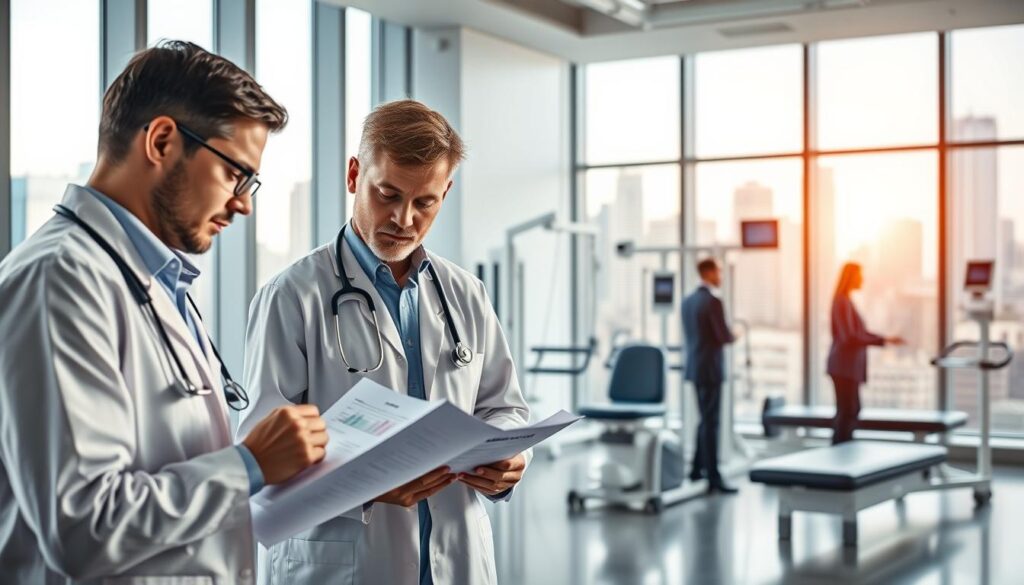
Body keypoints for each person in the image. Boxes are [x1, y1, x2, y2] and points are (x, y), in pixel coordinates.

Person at [0, 41, 329, 584]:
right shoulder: (59, 280)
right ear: (161, 141)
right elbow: (84, 527)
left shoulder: (154, 279)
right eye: (235, 174)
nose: (245, 202)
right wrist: (249, 465)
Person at [238, 99, 531, 585]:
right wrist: (369, 486)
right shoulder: (291, 296)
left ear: (446, 192)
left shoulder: (466, 293)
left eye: (425, 202)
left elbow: (506, 408)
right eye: (388, 194)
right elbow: (263, 453)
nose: (404, 219)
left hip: (455, 558)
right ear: (355, 174)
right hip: (342, 563)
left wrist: (511, 461)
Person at [827, 262, 904, 444]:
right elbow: (850, 337)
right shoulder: (842, 301)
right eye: (860, 275)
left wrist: (885, 339)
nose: (862, 279)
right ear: (851, 277)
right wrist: (880, 340)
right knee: (848, 410)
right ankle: (840, 452)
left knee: (849, 410)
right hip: (844, 367)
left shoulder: (845, 301)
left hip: (845, 367)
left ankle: (841, 450)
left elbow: (858, 334)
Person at [681, 258, 739, 494]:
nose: (721, 276)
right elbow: (723, 336)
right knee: (711, 422)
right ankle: (713, 476)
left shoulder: (687, 301)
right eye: (719, 272)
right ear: (709, 272)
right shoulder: (713, 302)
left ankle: (696, 469)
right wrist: (737, 334)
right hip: (711, 369)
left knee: (704, 420)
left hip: (695, 367)